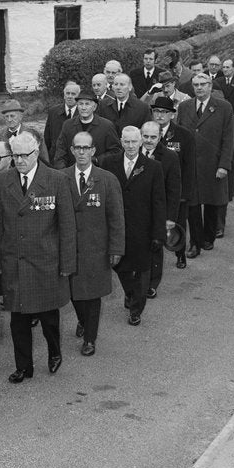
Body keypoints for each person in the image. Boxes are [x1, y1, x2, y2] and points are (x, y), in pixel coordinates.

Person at [0, 133, 76, 383]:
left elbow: (67, 225)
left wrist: (67, 263)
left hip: (45, 262)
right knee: (17, 320)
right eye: (15, 155)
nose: (19, 160)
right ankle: (23, 366)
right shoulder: (4, 181)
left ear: (36, 151)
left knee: (49, 318)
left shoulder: (56, 180)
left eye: (24, 155)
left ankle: (54, 352)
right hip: (15, 261)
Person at [63, 131, 124, 356]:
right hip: (69, 248)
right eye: (77, 147)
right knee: (73, 292)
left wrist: (116, 248)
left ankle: (90, 338)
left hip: (96, 249)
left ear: (93, 151)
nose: (81, 152)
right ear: (71, 150)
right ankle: (82, 320)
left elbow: (116, 217)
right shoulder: (61, 178)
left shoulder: (106, 179)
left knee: (93, 295)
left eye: (86, 148)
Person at [96, 126, 165, 326]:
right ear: (121, 141)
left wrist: (158, 233)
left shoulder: (153, 167)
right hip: (115, 226)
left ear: (141, 141)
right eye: (126, 141)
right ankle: (129, 292)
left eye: (134, 141)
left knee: (142, 271)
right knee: (120, 266)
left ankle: (136, 309)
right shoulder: (108, 163)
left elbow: (159, 202)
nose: (131, 145)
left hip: (142, 229)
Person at [176, 74, 234, 256]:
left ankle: (208, 237)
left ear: (210, 86)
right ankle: (195, 242)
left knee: (211, 203)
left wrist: (224, 165)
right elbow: (179, 135)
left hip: (213, 164)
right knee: (191, 205)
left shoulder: (224, 107)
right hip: (190, 165)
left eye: (203, 85)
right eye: (196, 85)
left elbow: (228, 138)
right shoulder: (185, 107)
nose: (199, 88)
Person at [150, 96, 196, 271]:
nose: (160, 115)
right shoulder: (146, 133)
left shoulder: (184, 135)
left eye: (164, 112)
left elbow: (189, 167)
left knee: (178, 223)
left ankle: (180, 253)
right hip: (153, 189)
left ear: (172, 115)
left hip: (175, 190)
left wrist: (186, 193)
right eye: (156, 111)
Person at [140, 120, 182, 297]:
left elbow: (174, 190)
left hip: (159, 211)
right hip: (137, 210)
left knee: (155, 247)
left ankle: (152, 284)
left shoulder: (170, 157)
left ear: (160, 137)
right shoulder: (132, 153)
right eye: (146, 136)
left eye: (153, 137)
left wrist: (171, 218)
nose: (149, 140)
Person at [53, 91, 120, 167]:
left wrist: (97, 160)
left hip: (98, 173)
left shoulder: (106, 126)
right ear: (77, 106)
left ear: (94, 107)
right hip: (72, 173)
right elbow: (60, 152)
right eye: (81, 104)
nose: (83, 108)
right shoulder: (68, 125)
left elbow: (116, 151)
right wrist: (63, 172)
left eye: (87, 104)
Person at [0, 100, 49, 164]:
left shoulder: (34, 134)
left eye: (12, 116)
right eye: (6, 116)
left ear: (20, 117)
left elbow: (44, 160)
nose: (9, 120)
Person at [43, 81, 80, 158]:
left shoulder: (82, 113)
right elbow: (47, 137)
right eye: (67, 93)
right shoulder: (53, 112)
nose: (70, 96)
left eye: (73, 94)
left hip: (76, 156)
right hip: (55, 156)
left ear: (78, 97)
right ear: (64, 95)